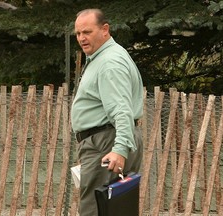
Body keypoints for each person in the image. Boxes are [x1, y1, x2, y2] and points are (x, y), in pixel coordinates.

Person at [71, 8, 144, 216]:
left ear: (105, 29)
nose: (82, 38)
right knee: (115, 211)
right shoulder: (105, 56)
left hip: (107, 142)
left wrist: (119, 150)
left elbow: (121, 110)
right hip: (105, 141)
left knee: (95, 210)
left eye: (87, 32)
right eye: (78, 34)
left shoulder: (109, 63)